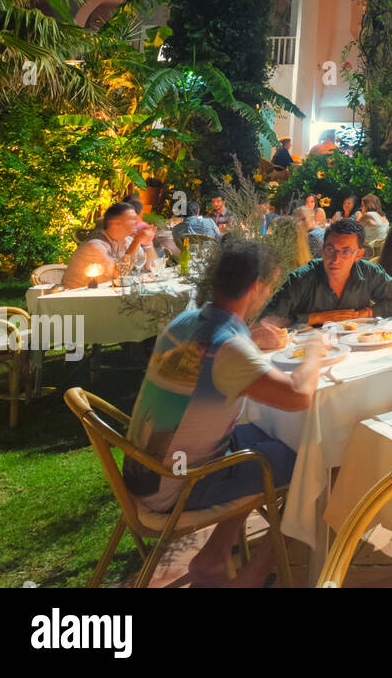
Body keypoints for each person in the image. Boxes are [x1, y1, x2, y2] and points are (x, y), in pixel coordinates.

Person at [123, 240, 314, 586]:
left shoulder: (185, 322)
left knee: (266, 437)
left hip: (146, 470)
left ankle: (213, 557)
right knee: (311, 461)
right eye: (270, 286)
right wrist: (317, 350)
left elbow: (208, 360)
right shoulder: (229, 347)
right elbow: (299, 396)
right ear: (257, 285)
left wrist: (249, 341)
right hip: (178, 488)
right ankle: (254, 576)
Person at [255, 218, 392, 332]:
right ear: (322, 249)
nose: (336, 259)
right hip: (308, 352)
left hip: (356, 346)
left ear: (359, 254)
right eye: (331, 249)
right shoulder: (302, 278)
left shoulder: (368, 272)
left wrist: (368, 313)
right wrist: (316, 318)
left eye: (346, 252)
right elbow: (265, 322)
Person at [64, 202, 159, 288]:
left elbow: (153, 268)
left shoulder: (129, 241)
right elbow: (118, 273)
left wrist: (147, 244)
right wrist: (136, 242)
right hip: (76, 300)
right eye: (132, 219)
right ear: (115, 224)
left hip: (107, 296)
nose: (138, 222)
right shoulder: (94, 246)